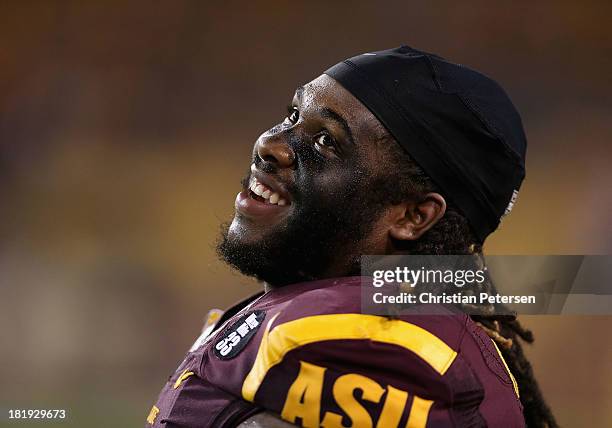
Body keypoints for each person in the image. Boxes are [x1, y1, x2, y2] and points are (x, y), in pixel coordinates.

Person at [146, 46, 557, 427]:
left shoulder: (372, 345)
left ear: (413, 216)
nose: (271, 145)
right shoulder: (324, 310)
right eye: (292, 116)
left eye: (326, 142)